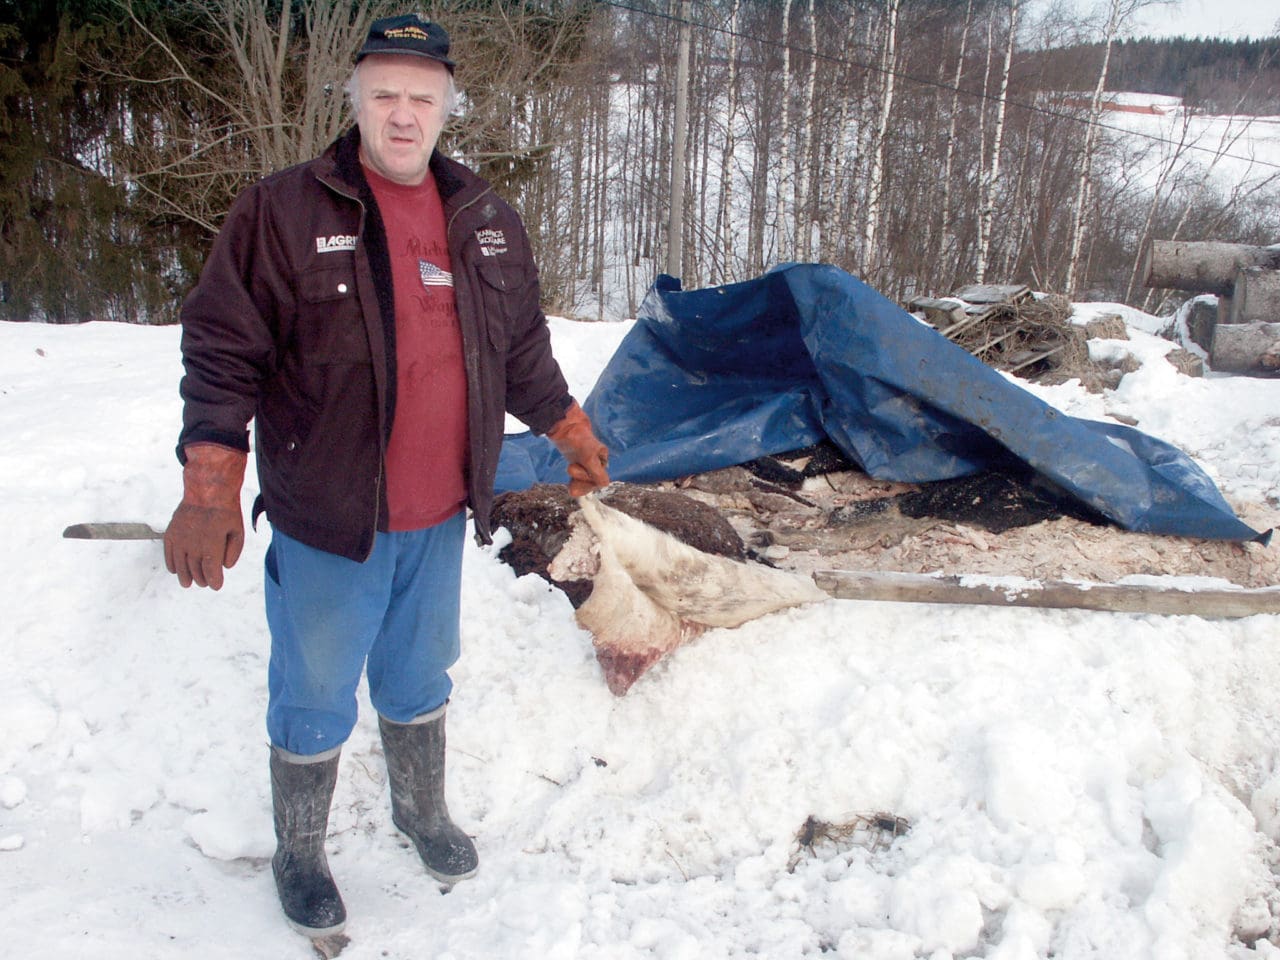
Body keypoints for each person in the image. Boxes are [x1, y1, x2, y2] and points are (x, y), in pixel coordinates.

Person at [162, 12, 610, 938]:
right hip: (331, 514)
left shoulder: (481, 216)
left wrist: (566, 425)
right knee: (317, 684)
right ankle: (300, 849)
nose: (403, 116)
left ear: (447, 105)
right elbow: (222, 348)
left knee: (418, 672)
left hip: (441, 512)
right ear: (356, 99)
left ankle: (420, 811)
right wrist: (208, 485)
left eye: (421, 97)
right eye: (384, 96)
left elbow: (518, 344)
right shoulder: (282, 210)